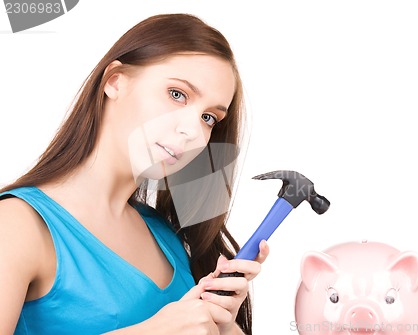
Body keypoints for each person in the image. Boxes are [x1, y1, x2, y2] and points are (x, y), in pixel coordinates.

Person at [0, 13, 269, 335]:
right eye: (177, 94)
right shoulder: (16, 226)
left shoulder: (166, 237)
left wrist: (221, 321)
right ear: (115, 81)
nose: (193, 131)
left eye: (209, 118)